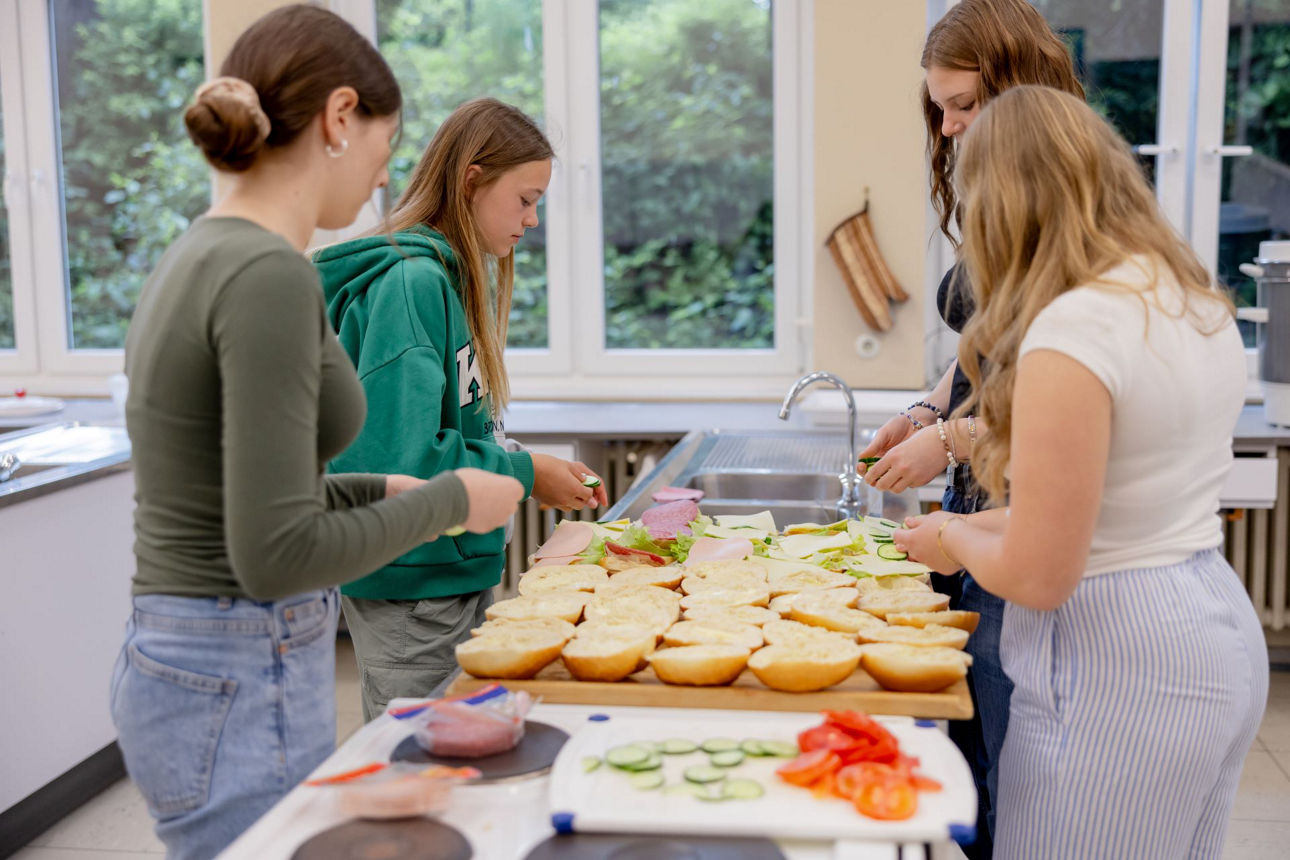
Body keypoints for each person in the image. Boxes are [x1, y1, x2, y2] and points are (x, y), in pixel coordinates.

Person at [110, 8, 523, 858]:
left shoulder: (214, 253)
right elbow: (275, 552)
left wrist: (381, 491)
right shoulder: (263, 275)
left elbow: (251, 493)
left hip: (207, 659)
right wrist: (450, 498)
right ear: (340, 117)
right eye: (382, 147)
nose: (381, 180)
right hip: (232, 661)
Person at [894, 85, 1268, 859]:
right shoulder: (1183, 295)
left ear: (1002, 203)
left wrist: (956, 543)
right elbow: (1109, 506)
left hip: (1118, 660)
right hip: (1209, 619)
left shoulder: (1073, 329)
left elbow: (1040, 573)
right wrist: (961, 526)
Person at [856, 2, 1084, 853]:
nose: (948, 131)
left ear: (1023, 89)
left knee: (1001, 779)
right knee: (968, 757)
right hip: (974, 516)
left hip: (1020, 523)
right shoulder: (998, 190)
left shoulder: (1070, 208)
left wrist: (949, 441)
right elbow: (984, 352)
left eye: (965, 105)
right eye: (939, 110)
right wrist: (927, 409)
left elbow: (1049, 395)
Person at [313, 97, 607, 721]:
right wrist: (528, 477)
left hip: (448, 572)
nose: (531, 221)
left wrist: (524, 462)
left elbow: (456, 428)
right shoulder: (411, 285)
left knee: (458, 750)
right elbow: (405, 459)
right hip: (413, 586)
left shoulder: (446, 280)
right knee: (417, 759)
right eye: (525, 199)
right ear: (471, 178)